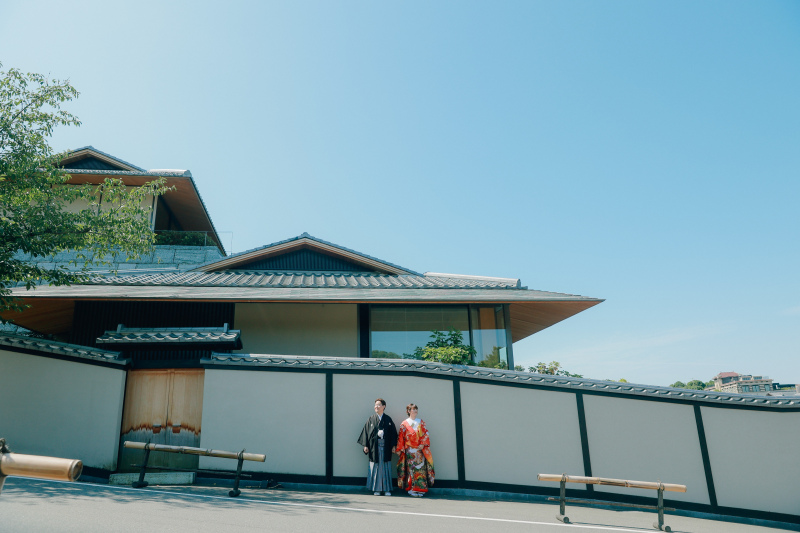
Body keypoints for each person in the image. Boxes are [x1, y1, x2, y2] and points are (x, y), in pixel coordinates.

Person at [357, 398, 398, 496]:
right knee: (376, 468)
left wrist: (393, 446)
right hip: (374, 448)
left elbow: (393, 433)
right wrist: (365, 445)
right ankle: (377, 489)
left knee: (385, 467)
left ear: (384, 407)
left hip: (386, 447)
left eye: (379, 405)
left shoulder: (388, 419)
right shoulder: (371, 419)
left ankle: (387, 489)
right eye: (375, 405)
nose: (376, 406)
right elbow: (366, 432)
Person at [395, 403, 434, 497]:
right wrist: (399, 448)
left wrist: (423, 444)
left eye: (416, 409)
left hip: (419, 450)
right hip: (409, 450)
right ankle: (412, 488)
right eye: (413, 409)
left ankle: (421, 489)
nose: (415, 410)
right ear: (408, 411)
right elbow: (401, 437)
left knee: (420, 469)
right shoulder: (404, 423)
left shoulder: (421, 422)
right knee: (411, 470)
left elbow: (425, 434)